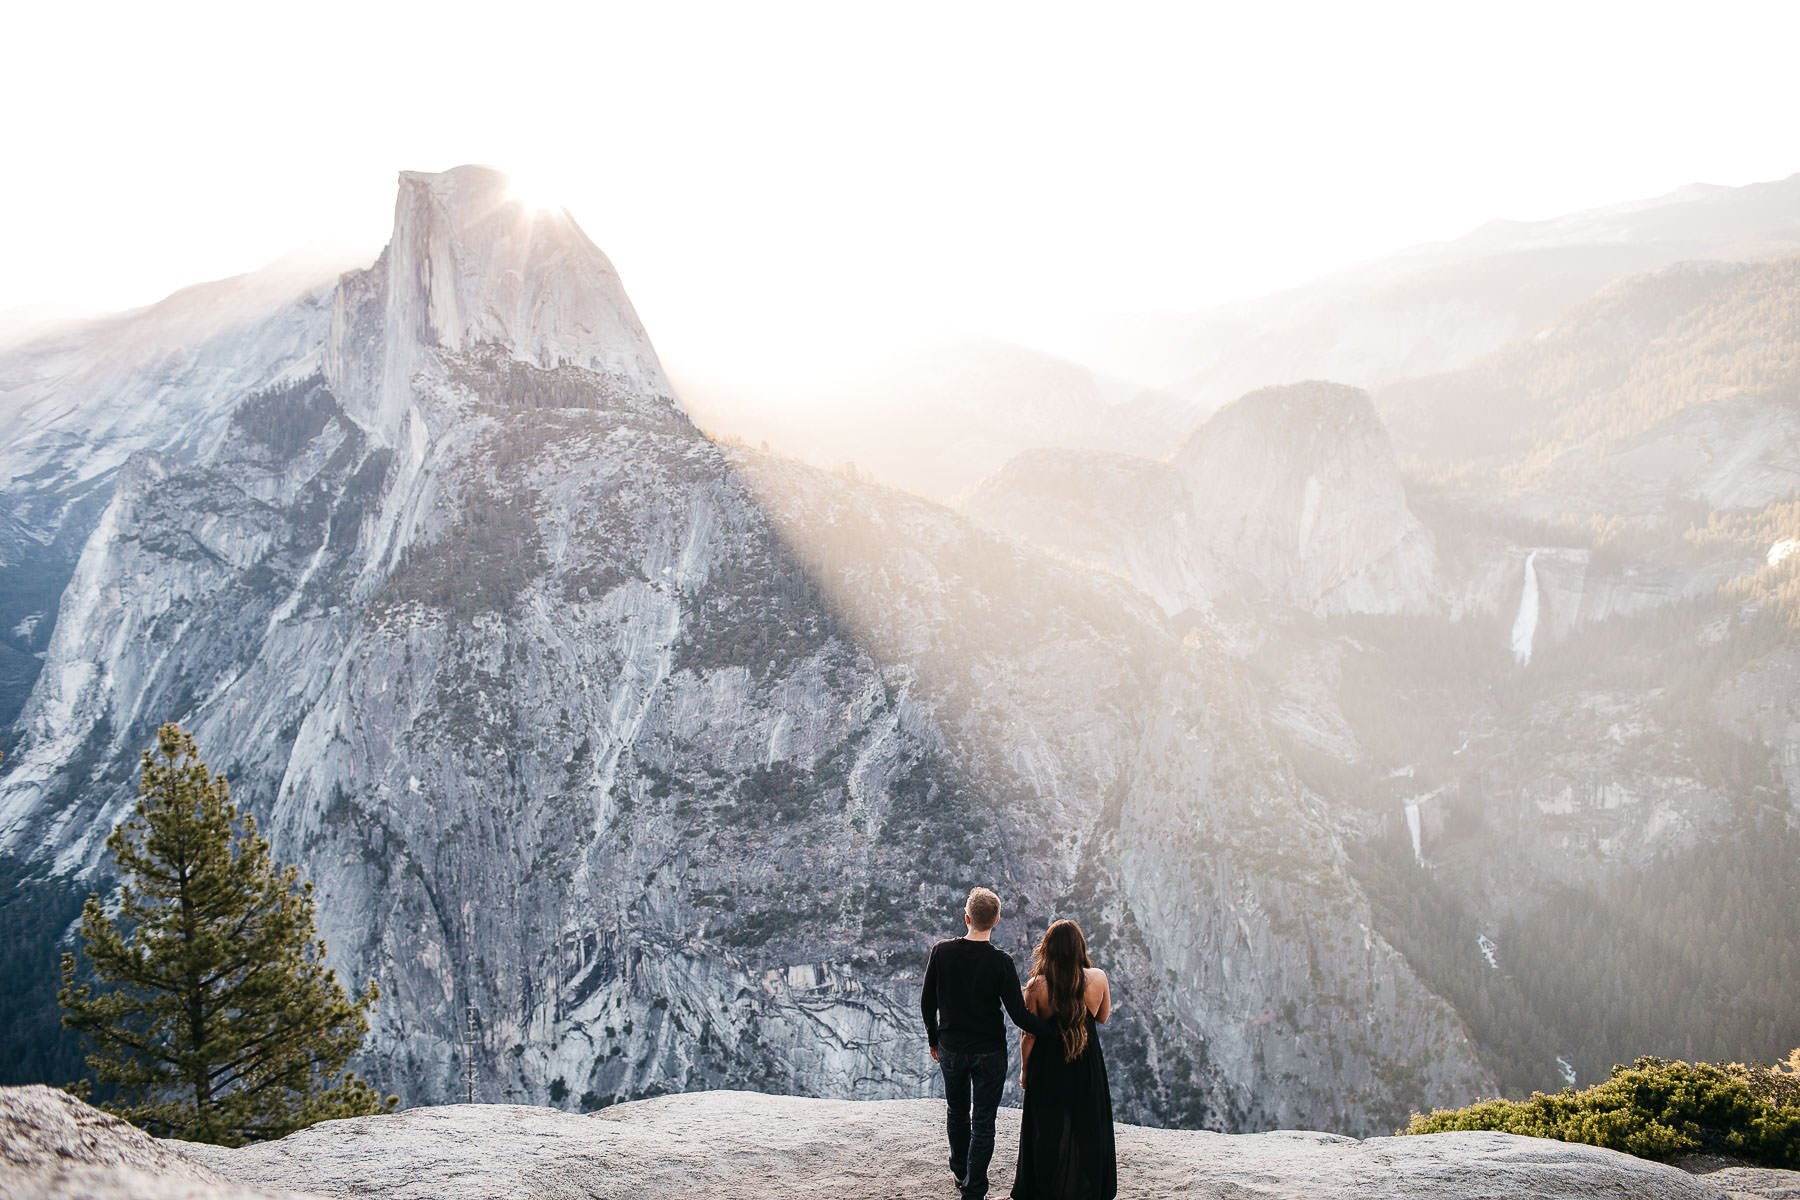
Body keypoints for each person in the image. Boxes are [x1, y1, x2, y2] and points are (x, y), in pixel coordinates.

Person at [921, 886, 1054, 1200]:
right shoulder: (1001, 962)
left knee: (956, 1111)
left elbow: (927, 1002)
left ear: (966, 917)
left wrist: (933, 1037)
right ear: (996, 921)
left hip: (951, 1047)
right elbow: (1019, 1015)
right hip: (989, 1052)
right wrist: (1055, 1030)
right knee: (983, 1119)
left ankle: (960, 1171)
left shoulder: (942, 951)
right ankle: (974, 1188)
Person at [1012, 919, 1116, 1200]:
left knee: (1047, 1129)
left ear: (1048, 949)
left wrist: (1024, 1071)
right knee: (1088, 1125)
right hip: (1086, 1062)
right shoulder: (1098, 978)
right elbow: (1103, 1017)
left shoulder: (1036, 986)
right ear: (1079, 947)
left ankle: (1046, 1188)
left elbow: (1029, 1035)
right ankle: (1088, 1188)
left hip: (1048, 1067)